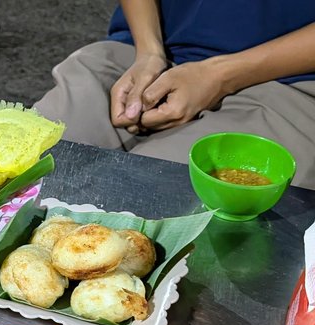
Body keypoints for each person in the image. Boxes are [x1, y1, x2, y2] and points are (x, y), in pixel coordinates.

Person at [33, 0, 315, 190]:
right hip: (145, 49)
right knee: (20, 174)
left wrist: (220, 76)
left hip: (285, 81)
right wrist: (148, 52)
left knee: (145, 203)